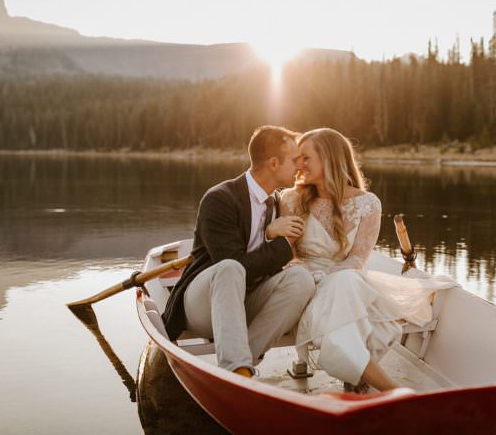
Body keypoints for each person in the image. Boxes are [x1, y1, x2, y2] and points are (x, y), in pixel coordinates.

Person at [280, 128, 457, 392]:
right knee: (346, 296)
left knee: (345, 282)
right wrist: (313, 279)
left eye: (306, 157)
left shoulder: (368, 204)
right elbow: (287, 255)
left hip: (347, 281)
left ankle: (361, 373)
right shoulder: (291, 200)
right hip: (305, 284)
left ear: (329, 158)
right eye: (298, 158)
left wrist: (328, 280)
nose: (299, 164)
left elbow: (358, 259)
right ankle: (387, 388)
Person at [162, 125, 316, 378]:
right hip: (205, 304)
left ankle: (241, 366)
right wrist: (276, 240)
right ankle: (238, 368)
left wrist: (273, 238)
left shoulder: (277, 202)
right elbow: (234, 263)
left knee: (301, 280)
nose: (299, 166)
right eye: (294, 160)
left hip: (246, 300)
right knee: (230, 268)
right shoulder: (220, 199)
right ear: (274, 163)